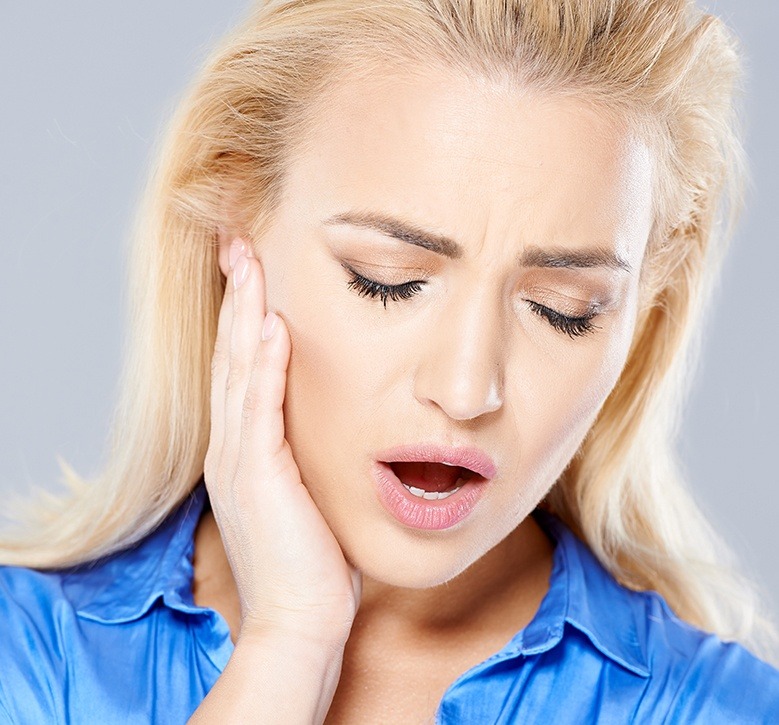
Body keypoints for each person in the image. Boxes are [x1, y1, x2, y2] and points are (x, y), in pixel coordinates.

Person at [1, 0, 778, 722]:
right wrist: (288, 648)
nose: (466, 388)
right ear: (235, 226)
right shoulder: (31, 658)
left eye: (562, 310)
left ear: (640, 315)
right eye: (388, 281)